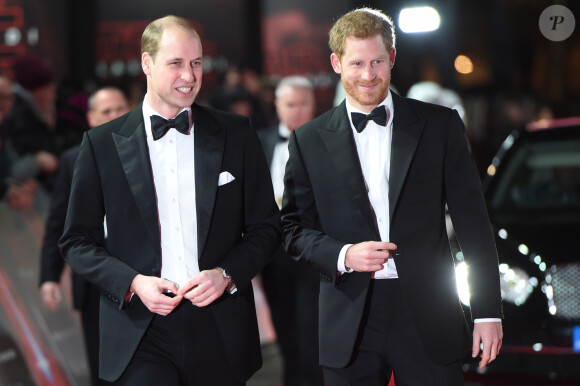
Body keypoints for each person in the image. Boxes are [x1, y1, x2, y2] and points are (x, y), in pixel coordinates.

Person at [281, 8, 503, 386]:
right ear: (336, 63)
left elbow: (473, 221)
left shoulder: (440, 125)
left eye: (377, 62)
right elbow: (291, 229)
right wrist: (343, 255)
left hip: (429, 313)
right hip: (349, 315)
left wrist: (487, 313)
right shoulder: (309, 140)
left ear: (392, 59)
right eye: (356, 63)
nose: (368, 75)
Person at [59, 15, 281, 386]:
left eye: (196, 63)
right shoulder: (101, 144)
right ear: (147, 63)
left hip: (219, 325)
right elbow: (76, 241)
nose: (190, 76)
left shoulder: (236, 133)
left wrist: (225, 275)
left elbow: (266, 228)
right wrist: (132, 283)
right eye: (176, 63)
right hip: (140, 331)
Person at [39, 86, 130, 385]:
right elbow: (59, 222)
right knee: (102, 364)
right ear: (91, 117)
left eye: (120, 108)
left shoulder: (147, 151)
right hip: (93, 278)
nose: (115, 115)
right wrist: (50, 275)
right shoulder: (71, 159)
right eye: (107, 111)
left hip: (143, 270)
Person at [259, 75, 323, 385]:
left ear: (314, 104)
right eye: (290, 104)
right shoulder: (260, 142)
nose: (296, 111)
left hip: (316, 252)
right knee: (283, 325)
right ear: (277, 106)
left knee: (312, 328)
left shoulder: (329, 141)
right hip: (273, 254)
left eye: (303, 103)